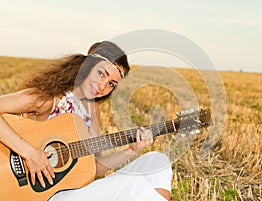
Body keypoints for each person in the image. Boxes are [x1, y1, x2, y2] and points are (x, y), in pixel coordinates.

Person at [0, 41, 172, 201]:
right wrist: (30, 153)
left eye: (111, 84)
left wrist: (132, 149)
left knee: (157, 162)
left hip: (72, 192)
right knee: (134, 185)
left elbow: (94, 167)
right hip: (43, 195)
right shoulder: (47, 98)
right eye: (100, 74)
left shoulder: (92, 111)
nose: (103, 86)